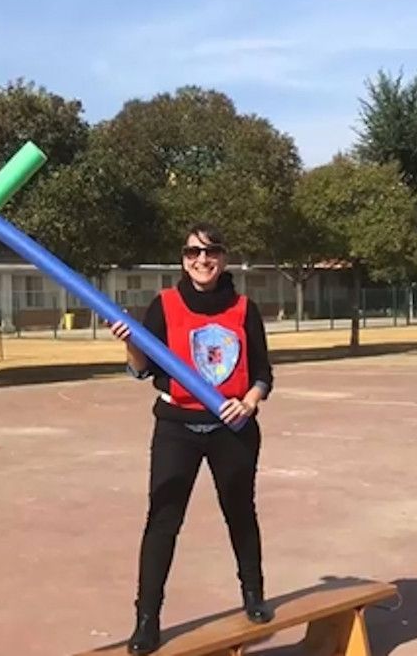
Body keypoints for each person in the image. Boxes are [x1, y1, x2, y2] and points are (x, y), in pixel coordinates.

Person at [109, 222, 274, 655]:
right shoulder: (164, 305)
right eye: (193, 253)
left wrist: (249, 402)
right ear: (183, 260)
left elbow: (262, 373)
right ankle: (147, 620)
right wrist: (130, 344)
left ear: (224, 258)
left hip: (232, 428)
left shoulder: (244, 309)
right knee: (162, 520)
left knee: (240, 511)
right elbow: (142, 369)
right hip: (176, 428)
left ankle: (253, 594)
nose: (202, 259)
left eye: (211, 251)